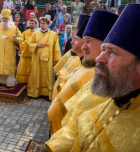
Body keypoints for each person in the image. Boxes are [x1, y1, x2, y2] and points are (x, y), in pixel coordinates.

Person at [46, 4, 140, 151]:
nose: (99, 58)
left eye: (112, 52)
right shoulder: (115, 87)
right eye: (103, 49)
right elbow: (75, 129)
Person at [46, 10, 118, 138]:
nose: (83, 46)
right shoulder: (88, 66)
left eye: (88, 41)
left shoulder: (103, 76)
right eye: (83, 40)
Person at [26, 17, 61, 99]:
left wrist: (56, 60)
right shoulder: (35, 34)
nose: (42, 25)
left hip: (49, 59)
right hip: (37, 58)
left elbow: (56, 48)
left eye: (44, 23)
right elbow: (28, 43)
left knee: (47, 75)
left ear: (48, 24)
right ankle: (35, 93)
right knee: (36, 74)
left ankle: (46, 94)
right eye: (41, 23)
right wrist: (37, 45)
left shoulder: (53, 35)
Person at [0, 9, 23, 87]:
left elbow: (22, 38)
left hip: (9, 52)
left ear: (9, 18)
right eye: (3, 18)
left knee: (8, 67)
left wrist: (16, 39)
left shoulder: (14, 28)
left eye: (6, 18)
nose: (4, 20)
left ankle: (9, 83)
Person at [16, 19, 37, 84]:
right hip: (25, 52)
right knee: (23, 66)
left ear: (35, 24)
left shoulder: (37, 33)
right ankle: (23, 80)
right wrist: (21, 49)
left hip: (33, 52)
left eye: (32, 23)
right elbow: (21, 41)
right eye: (30, 23)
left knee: (32, 67)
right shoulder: (24, 32)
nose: (31, 24)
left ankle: (31, 81)